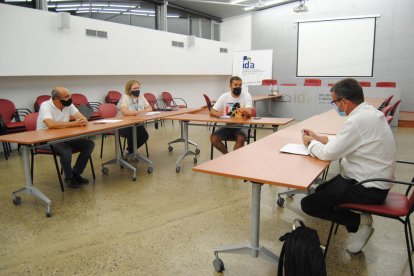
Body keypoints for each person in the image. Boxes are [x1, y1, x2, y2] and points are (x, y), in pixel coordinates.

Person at [300, 78, 396, 253]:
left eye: (335, 102)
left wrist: (309, 144)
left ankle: (359, 223)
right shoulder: (368, 113)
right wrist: (318, 137)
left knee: (309, 204)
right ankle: (355, 226)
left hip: (367, 188)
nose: (335, 106)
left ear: (344, 101)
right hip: (369, 179)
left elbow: (328, 153)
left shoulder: (358, 121)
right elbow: (345, 140)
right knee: (320, 191)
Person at [37, 87, 95, 189]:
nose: (70, 98)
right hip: (46, 139)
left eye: (69, 95)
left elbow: (81, 117)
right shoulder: (45, 106)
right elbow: (51, 124)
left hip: (64, 136)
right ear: (56, 98)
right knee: (66, 151)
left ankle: (76, 173)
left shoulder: (68, 104)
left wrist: (83, 120)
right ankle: (69, 177)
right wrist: (74, 124)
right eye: (66, 96)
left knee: (89, 144)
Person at [210, 76, 253, 154]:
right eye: (235, 85)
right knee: (214, 138)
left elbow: (249, 113)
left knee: (241, 138)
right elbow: (212, 111)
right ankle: (227, 156)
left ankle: (233, 160)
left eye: (240, 85)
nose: (238, 87)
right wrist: (217, 114)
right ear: (230, 86)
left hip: (241, 126)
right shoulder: (224, 96)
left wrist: (245, 111)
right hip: (228, 126)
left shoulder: (246, 95)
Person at [117, 80, 151, 156]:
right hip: (122, 124)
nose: (137, 90)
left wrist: (143, 111)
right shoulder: (125, 97)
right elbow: (125, 112)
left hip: (136, 122)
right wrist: (139, 112)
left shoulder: (141, 96)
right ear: (129, 89)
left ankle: (129, 151)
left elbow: (149, 108)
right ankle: (130, 152)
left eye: (138, 88)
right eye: (134, 88)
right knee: (132, 133)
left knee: (144, 136)